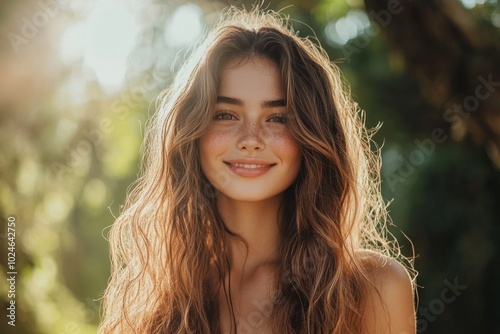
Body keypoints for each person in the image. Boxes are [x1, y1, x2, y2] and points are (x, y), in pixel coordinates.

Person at [99, 6, 417, 334]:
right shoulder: (152, 302)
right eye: (226, 114)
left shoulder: (373, 288)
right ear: (192, 132)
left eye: (278, 118)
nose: (251, 140)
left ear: (314, 137)